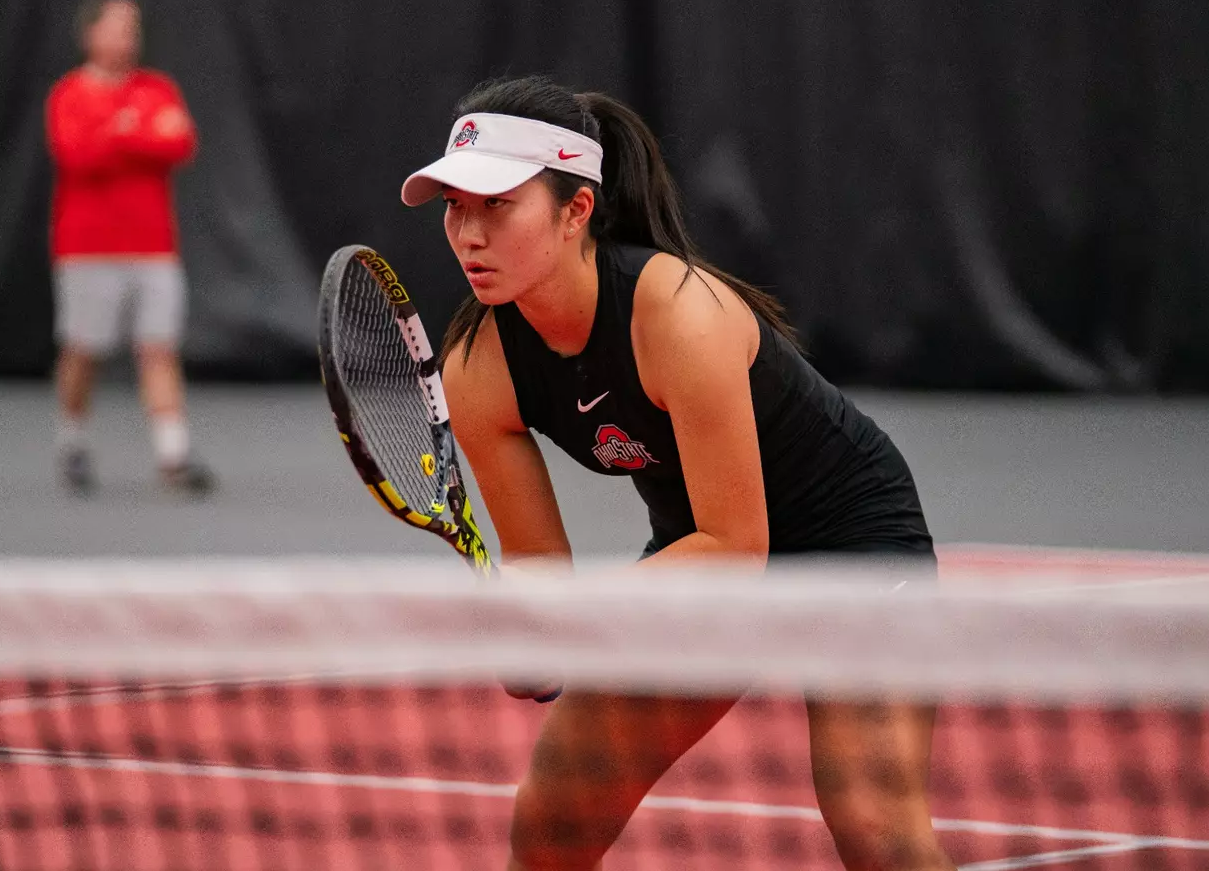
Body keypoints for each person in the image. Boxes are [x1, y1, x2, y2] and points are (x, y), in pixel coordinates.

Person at [402, 76, 953, 871]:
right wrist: (531, 636)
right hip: (695, 549)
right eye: (455, 206)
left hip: (850, 549)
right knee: (552, 818)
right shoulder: (479, 368)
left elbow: (736, 545)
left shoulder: (679, 314)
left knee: (874, 826)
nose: (468, 234)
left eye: (497, 205)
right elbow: (536, 568)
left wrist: (569, 617)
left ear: (575, 211)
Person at [45, 0, 214, 497]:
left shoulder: (159, 88)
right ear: (90, 33)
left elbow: (180, 141)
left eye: (133, 27)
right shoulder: (68, 94)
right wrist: (135, 131)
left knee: (158, 349)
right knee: (83, 351)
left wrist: (119, 129)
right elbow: (77, 157)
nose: (129, 36)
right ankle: (72, 440)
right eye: (118, 25)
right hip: (86, 249)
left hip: (154, 249)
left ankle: (173, 454)